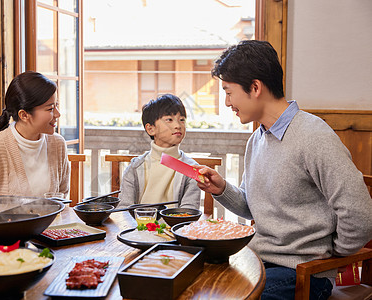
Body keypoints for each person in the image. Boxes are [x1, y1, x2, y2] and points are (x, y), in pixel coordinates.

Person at [196, 40, 372, 300]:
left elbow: (361, 214)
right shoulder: (257, 140)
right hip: (258, 261)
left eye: (229, 92)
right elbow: (251, 206)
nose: (226, 102)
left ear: (255, 87)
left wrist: (332, 254)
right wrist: (221, 189)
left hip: (301, 274)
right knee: (199, 286)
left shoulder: (313, 135)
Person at [0, 71, 70, 198]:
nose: (58, 114)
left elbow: (62, 199)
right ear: (24, 115)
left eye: (56, 105)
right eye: (50, 109)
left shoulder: (57, 145)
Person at [118, 94, 201, 209]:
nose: (178, 125)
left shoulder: (191, 169)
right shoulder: (136, 167)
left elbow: (189, 212)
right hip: (138, 226)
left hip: (177, 226)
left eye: (182, 120)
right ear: (151, 129)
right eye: (169, 120)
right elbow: (124, 209)